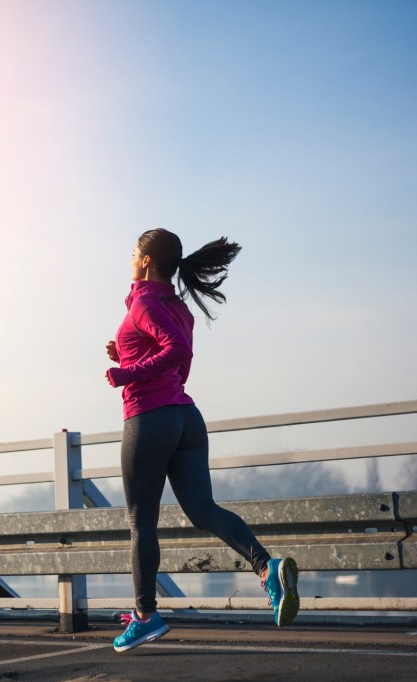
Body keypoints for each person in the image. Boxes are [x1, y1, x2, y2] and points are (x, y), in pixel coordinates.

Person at [105, 228, 299, 654]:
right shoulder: (176, 305)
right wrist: (128, 356)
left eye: (133, 252)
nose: (129, 257)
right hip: (186, 418)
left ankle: (145, 617)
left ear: (146, 262)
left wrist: (128, 374)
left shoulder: (143, 301)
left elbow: (172, 349)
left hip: (150, 417)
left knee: (142, 523)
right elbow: (179, 357)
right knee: (203, 509)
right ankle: (269, 569)